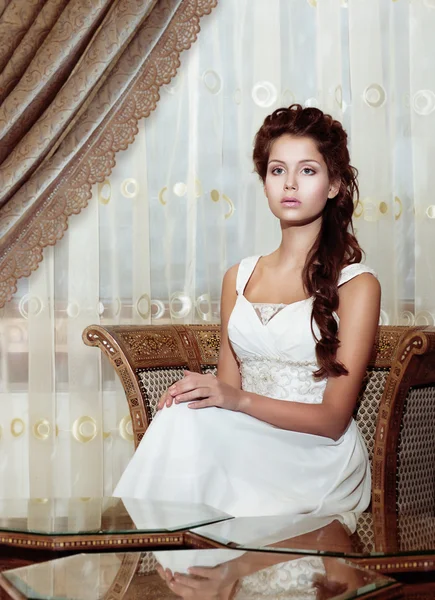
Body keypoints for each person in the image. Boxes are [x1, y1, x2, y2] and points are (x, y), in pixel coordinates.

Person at [114, 104, 381, 535]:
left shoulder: (358, 284)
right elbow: (226, 391)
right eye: (277, 171)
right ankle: (156, 560)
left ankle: (153, 555)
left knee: (191, 447)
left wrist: (235, 401)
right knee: (180, 416)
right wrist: (198, 396)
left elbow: (333, 420)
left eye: (308, 171)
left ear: (334, 184)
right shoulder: (237, 278)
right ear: (264, 183)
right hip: (247, 443)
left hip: (315, 456)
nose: (290, 184)